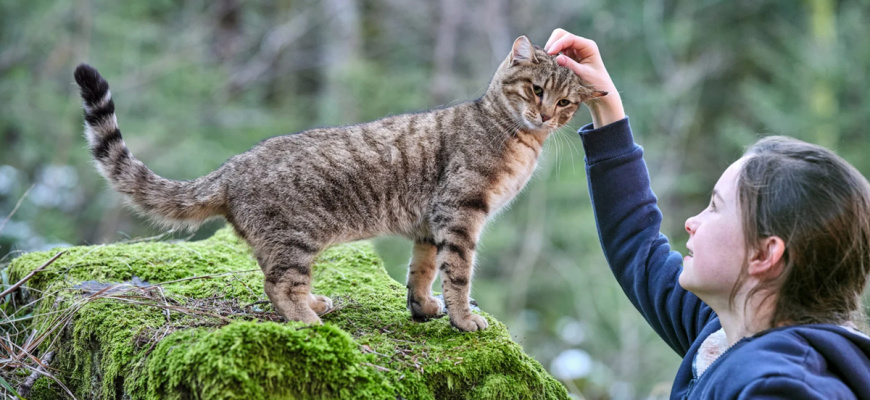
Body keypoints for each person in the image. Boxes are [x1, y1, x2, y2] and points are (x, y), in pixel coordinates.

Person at [544, 28, 870, 399]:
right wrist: (604, 103)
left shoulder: (783, 385)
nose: (692, 222)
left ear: (765, 254)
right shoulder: (728, 333)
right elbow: (636, 243)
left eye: (715, 207)